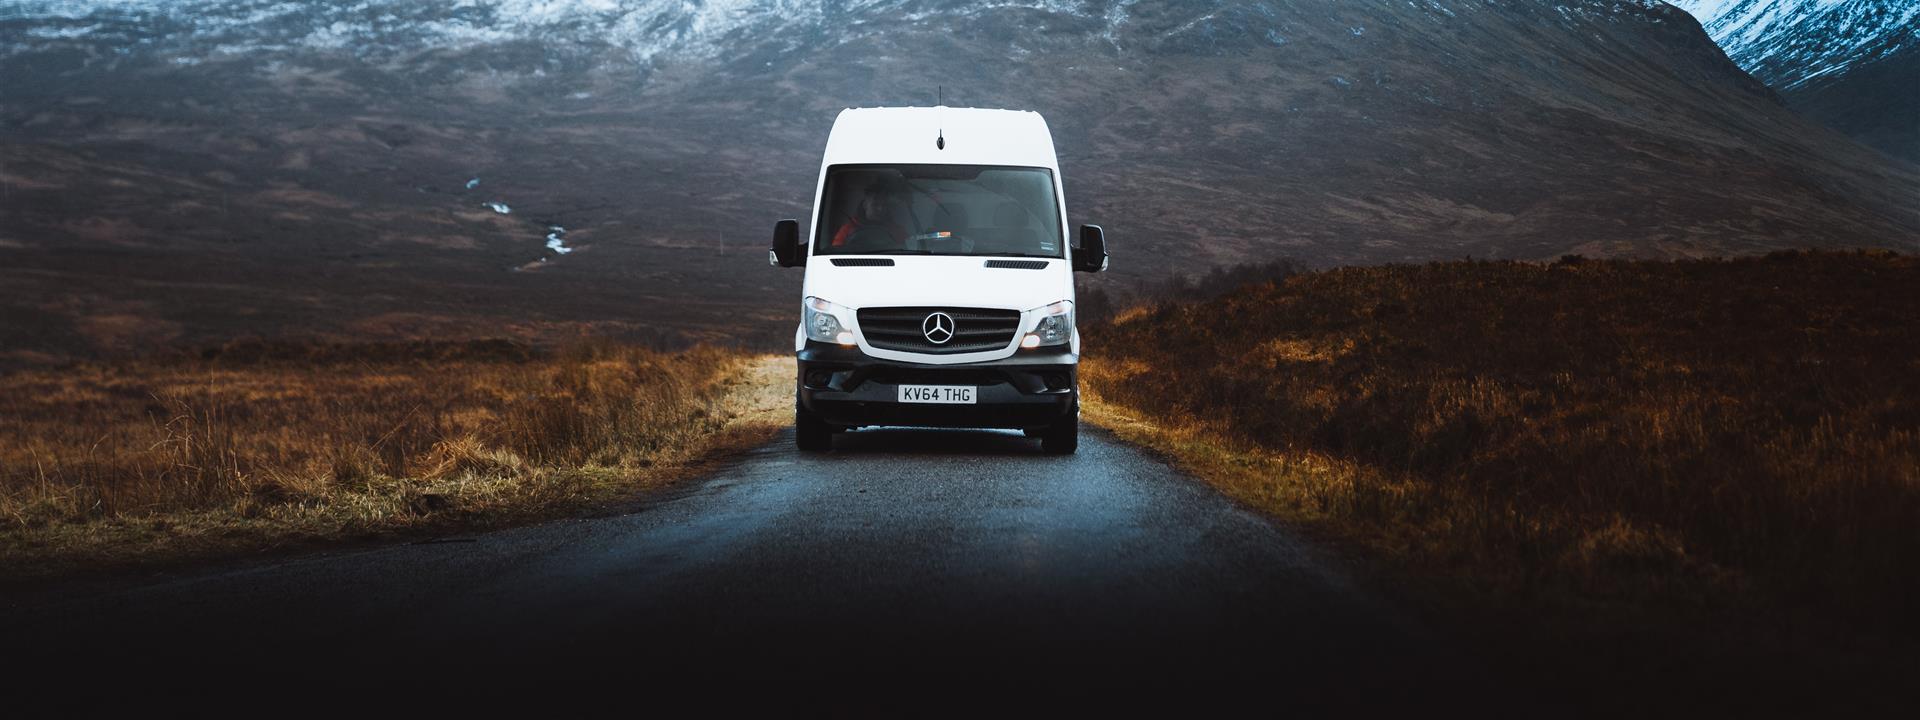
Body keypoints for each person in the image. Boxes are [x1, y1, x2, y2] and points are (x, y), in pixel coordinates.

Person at [830, 179, 908, 250]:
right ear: (865, 205)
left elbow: (907, 252)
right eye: (875, 204)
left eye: (884, 205)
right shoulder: (847, 230)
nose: (880, 209)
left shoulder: (896, 230)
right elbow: (836, 252)